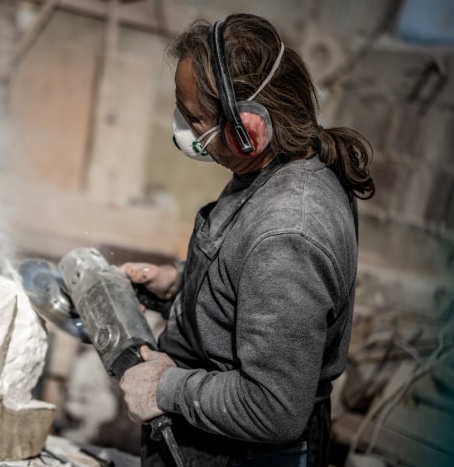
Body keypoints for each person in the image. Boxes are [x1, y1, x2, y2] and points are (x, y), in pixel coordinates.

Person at [118, 13, 375, 467]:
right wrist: (177, 286)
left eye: (193, 116)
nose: (183, 126)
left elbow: (272, 407)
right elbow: (247, 290)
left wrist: (165, 387)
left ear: (249, 128)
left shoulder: (290, 233)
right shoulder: (273, 168)